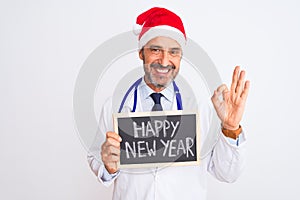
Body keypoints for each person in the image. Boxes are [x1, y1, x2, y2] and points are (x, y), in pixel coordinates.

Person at [88, 7, 250, 200]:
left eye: (173, 52)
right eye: (156, 50)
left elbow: (227, 173)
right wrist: (107, 165)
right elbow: (95, 159)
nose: (165, 61)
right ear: (141, 53)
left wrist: (230, 128)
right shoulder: (115, 105)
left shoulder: (201, 107)